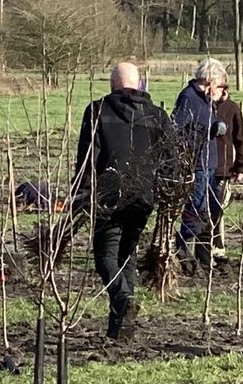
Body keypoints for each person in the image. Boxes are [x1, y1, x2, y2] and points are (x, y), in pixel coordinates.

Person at [72, 62, 173, 340]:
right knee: (126, 255)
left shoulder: (97, 111)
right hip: (143, 197)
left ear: (112, 85)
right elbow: (170, 160)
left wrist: (81, 194)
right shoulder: (158, 115)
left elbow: (87, 158)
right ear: (139, 85)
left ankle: (123, 298)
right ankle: (120, 327)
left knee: (105, 257)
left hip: (109, 197)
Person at [171, 58, 231, 265]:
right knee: (195, 209)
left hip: (209, 163)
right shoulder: (188, 98)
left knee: (209, 210)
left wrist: (216, 123)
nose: (221, 90)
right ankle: (184, 251)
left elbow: (204, 120)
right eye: (220, 85)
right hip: (196, 164)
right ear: (210, 81)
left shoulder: (205, 99)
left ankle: (204, 255)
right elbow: (177, 130)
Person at [211, 78, 243, 256]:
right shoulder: (203, 106)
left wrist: (240, 167)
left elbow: (240, 139)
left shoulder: (232, 108)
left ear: (223, 88)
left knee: (218, 209)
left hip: (223, 168)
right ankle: (204, 245)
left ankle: (218, 245)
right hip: (203, 166)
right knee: (203, 208)